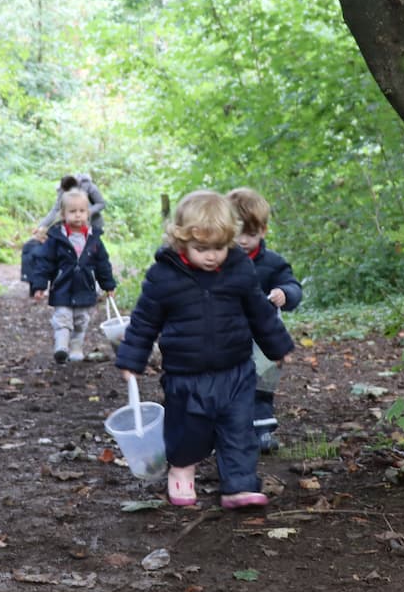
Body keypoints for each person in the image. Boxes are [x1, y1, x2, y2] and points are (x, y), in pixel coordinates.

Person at [115, 190, 293, 509]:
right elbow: (144, 320)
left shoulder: (239, 269)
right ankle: (182, 469)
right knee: (188, 430)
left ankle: (239, 484)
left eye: (219, 248)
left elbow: (259, 312)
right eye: (201, 249)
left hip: (236, 369)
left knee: (238, 429)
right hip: (186, 374)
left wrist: (277, 345)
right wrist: (132, 357)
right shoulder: (164, 276)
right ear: (181, 240)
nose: (211, 257)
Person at [227, 188, 302, 453]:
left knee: (262, 382)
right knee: (228, 383)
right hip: (228, 333)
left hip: (264, 336)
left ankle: (262, 431)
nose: (243, 240)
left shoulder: (272, 262)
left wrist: (285, 293)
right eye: (237, 233)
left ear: (263, 231)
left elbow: (293, 286)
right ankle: (229, 430)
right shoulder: (219, 260)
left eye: (250, 234)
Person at [28, 190, 117, 363]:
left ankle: (76, 347)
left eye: (82, 211)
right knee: (62, 317)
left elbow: (102, 264)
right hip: (62, 286)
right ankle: (61, 346)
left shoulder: (94, 239)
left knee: (81, 320)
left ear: (88, 213)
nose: (78, 215)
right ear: (63, 214)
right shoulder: (56, 238)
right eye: (72, 211)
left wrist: (108, 285)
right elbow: (44, 262)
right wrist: (39, 285)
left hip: (85, 286)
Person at [35, 173, 107, 239]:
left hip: (94, 224)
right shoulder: (62, 190)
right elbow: (56, 210)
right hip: (75, 226)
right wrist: (40, 226)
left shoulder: (88, 185)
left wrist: (86, 212)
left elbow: (101, 203)